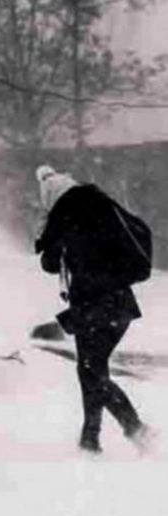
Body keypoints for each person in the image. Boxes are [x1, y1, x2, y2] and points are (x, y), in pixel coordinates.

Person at [34, 165, 154, 454]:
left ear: (51, 197)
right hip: (119, 303)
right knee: (91, 370)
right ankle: (91, 438)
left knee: (91, 372)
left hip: (93, 304)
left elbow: (49, 263)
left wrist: (47, 229)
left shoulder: (65, 217)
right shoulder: (100, 208)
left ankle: (134, 428)